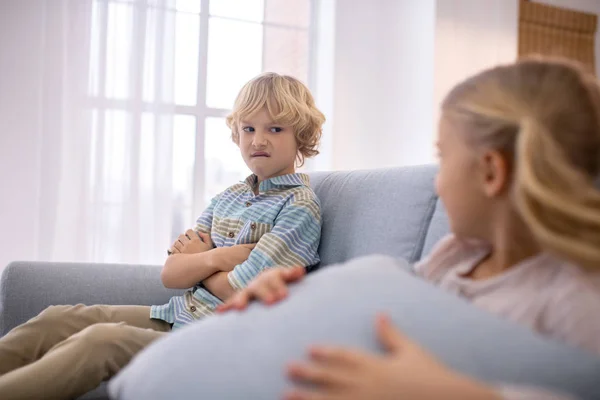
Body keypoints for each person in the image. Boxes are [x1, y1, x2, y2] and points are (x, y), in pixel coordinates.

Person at [219, 58, 600, 400]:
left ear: (490, 173)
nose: (437, 181)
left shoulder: (576, 298)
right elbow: (389, 298)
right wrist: (302, 295)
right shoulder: (457, 255)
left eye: (442, 157)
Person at [0, 72, 326, 400]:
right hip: (179, 315)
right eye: (249, 128)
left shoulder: (299, 205)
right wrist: (218, 257)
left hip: (222, 339)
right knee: (59, 318)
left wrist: (198, 264)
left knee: (101, 341)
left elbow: (242, 291)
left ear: (301, 135)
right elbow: (171, 274)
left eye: (275, 128)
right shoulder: (227, 197)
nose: (258, 140)